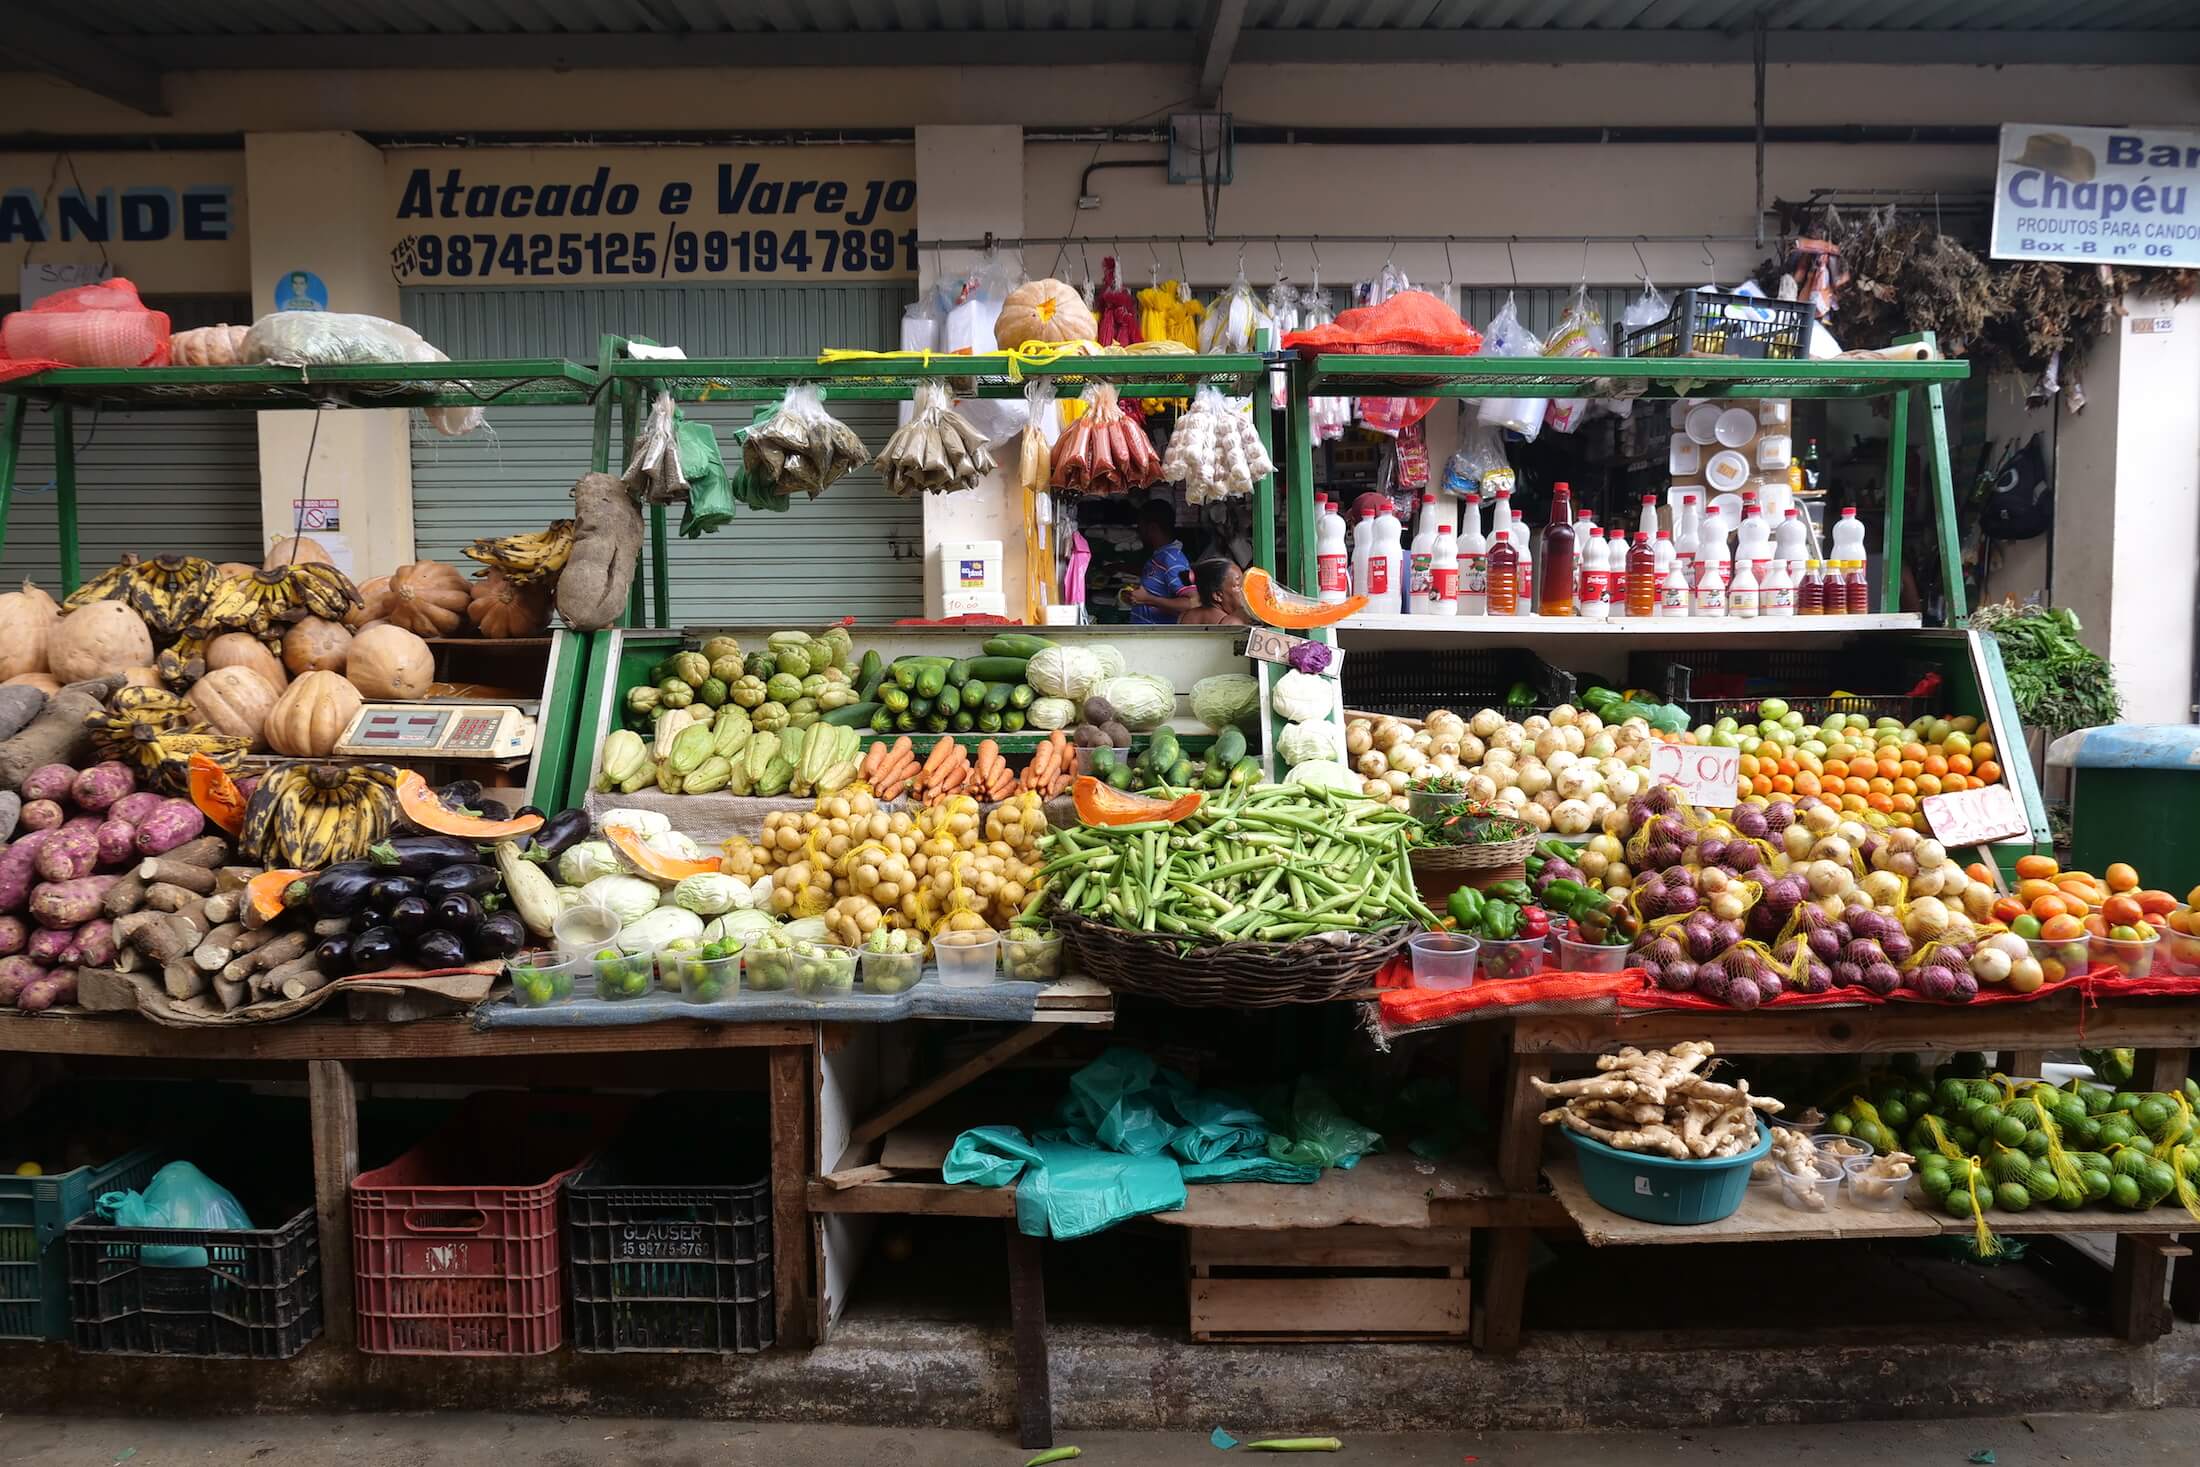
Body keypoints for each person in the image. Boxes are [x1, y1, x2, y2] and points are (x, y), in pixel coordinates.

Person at [1123, 498, 1197, 624]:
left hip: (1159, 635)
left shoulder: (1173, 559)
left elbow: (1192, 603)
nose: (1139, 531)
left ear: (1152, 528)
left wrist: (1148, 599)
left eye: (1141, 526)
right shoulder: (1160, 556)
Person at [1177, 559, 1248, 625]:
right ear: (1218, 595)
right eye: (1238, 585)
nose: (1245, 589)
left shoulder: (1184, 616)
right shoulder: (1233, 623)